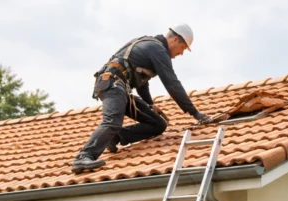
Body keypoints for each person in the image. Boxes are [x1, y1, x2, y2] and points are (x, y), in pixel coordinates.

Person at [71, 24, 213, 173]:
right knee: (112, 120)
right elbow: (172, 84)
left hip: (120, 88)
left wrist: (150, 104)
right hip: (112, 83)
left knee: (158, 124)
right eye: (183, 48)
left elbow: (141, 83)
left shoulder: (151, 46)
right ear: (175, 39)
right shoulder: (158, 50)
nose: (181, 53)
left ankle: (115, 137)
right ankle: (84, 157)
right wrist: (195, 113)